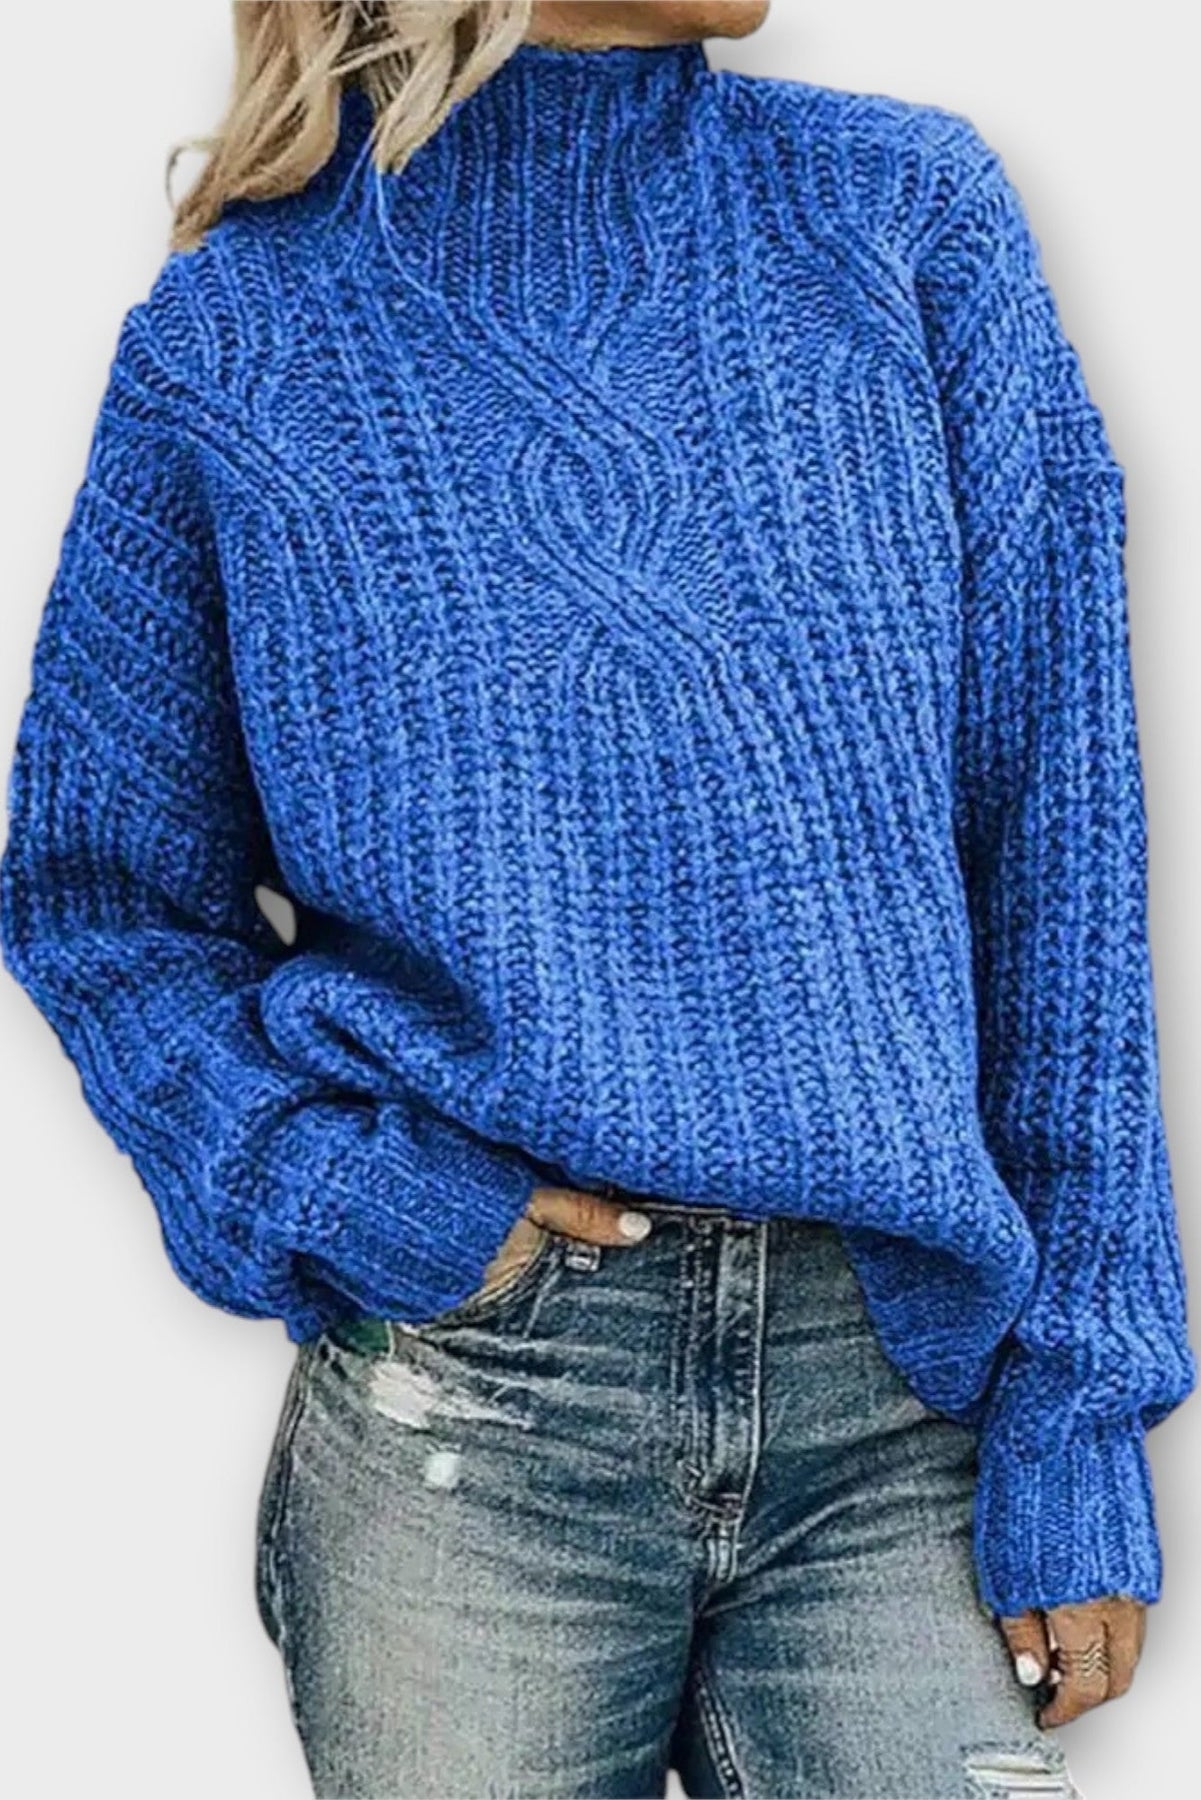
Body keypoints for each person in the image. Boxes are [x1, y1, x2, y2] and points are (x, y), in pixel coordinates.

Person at [0, 0, 1193, 1793]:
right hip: (481, 1419)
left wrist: (1079, 1408)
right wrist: (345, 1190)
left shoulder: (901, 217)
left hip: (898, 1392)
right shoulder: (244, 332)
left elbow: (1059, 846)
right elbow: (103, 902)